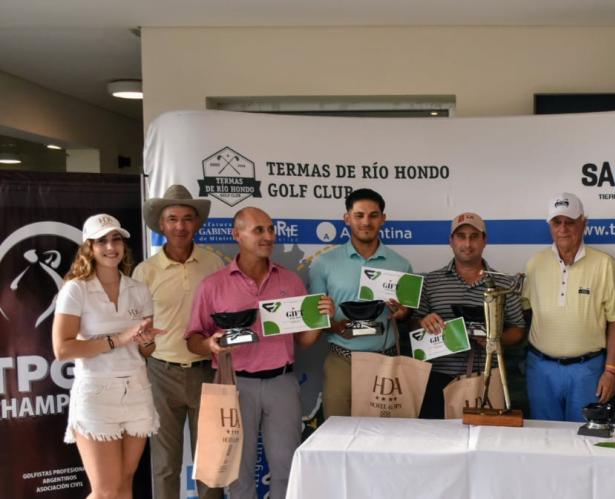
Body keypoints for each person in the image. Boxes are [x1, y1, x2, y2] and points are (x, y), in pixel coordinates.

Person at [185, 207, 333, 499]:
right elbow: (192, 339)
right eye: (258, 230)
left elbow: (304, 341)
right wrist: (210, 344)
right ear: (236, 235)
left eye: (270, 229)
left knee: (287, 468)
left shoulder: (289, 280)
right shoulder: (213, 285)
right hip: (234, 384)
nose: (268, 237)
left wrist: (322, 319)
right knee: (238, 472)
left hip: (282, 383)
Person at [52, 214, 163, 499]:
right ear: (89, 247)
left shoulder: (138, 289)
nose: (111, 247)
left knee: (124, 486)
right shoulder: (75, 289)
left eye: (116, 239)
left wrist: (146, 342)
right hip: (96, 393)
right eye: (102, 241)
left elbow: (145, 351)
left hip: (137, 390)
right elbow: (62, 349)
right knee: (105, 491)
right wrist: (118, 339)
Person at [133, 185, 224, 499]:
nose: (180, 226)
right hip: (161, 373)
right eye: (172, 219)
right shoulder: (145, 272)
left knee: (211, 463)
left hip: (207, 372)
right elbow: (138, 334)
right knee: (165, 464)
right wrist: (144, 346)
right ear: (161, 224)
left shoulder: (215, 265)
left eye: (187, 218)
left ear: (197, 223)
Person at [522, 192, 615, 422]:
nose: (563, 229)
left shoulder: (604, 264)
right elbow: (525, 311)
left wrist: (611, 371)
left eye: (570, 222)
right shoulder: (535, 263)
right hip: (541, 370)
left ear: (584, 223)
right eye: (557, 222)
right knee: (544, 440)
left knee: (585, 443)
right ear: (549, 225)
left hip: (587, 371)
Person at [308, 188, 413, 418]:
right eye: (359, 215)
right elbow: (315, 320)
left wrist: (401, 313)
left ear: (383, 219)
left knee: (386, 438)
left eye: (374, 215)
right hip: (342, 362)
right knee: (339, 437)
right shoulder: (324, 263)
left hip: (386, 361)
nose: (366, 222)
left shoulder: (401, 265)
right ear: (347, 218)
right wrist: (335, 325)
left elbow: (407, 316)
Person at [414, 212, 525, 418]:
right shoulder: (430, 281)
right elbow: (414, 325)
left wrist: (495, 340)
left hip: (486, 378)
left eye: (474, 236)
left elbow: (517, 329)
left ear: (485, 241)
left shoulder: (504, 283)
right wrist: (423, 321)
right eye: (461, 236)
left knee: (487, 442)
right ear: (451, 241)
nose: (467, 243)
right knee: (436, 441)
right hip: (438, 377)